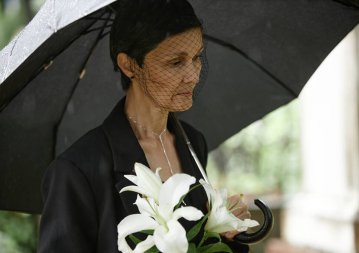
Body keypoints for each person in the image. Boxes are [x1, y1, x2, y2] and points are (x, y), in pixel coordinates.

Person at [38, 0, 251, 252]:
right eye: (175, 63)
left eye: (196, 57)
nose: (193, 75)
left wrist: (226, 230)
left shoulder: (193, 143)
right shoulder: (76, 172)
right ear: (129, 65)